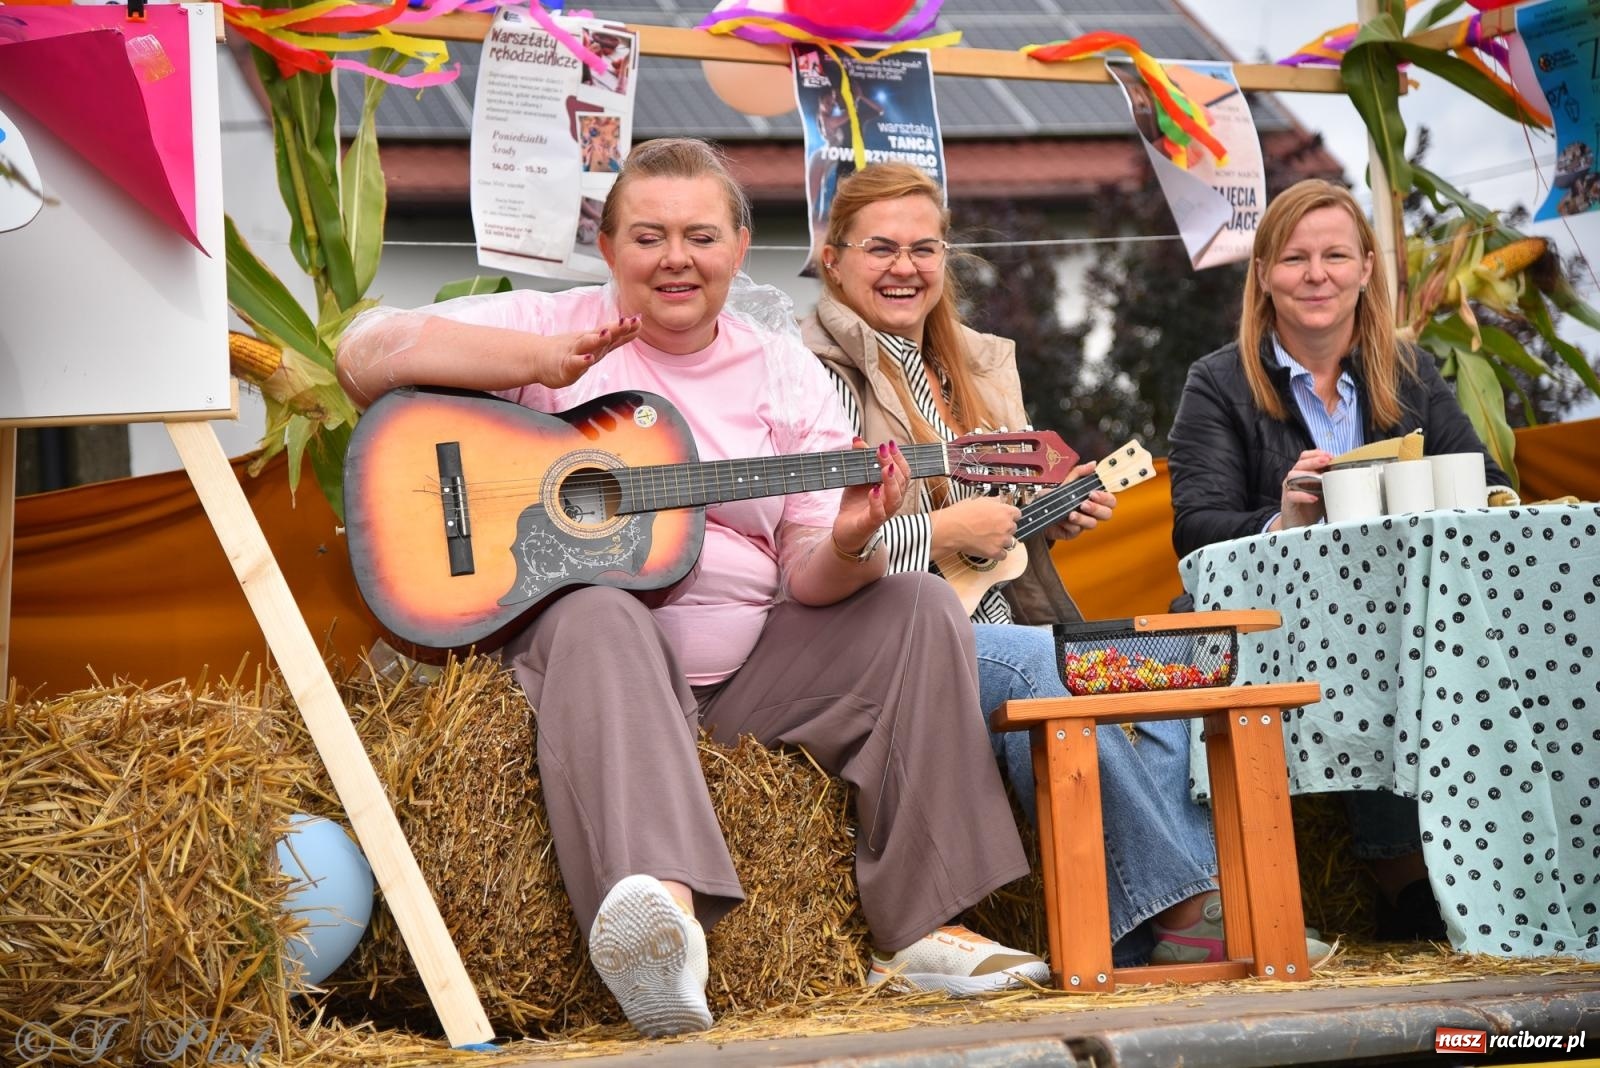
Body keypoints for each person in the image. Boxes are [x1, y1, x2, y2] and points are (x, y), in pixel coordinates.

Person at [336, 139, 1048, 1038]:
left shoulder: (782, 371)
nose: (676, 258)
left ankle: (918, 930)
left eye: (702, 237)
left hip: (751, 678)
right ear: (607, 247)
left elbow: (808, 576)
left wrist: (851, 539)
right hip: (601, 674)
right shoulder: (552, 324)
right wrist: (542, 364)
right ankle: (661, 924)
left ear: (740, 249)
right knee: (602, 606)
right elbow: (361, 352)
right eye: (649, 237)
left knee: (919, 604)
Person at [799, 161, 1331, 968]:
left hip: (996, 620)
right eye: (881, 248)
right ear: (833, 259)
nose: (905, 267)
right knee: (1040, 668)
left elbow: (994, 535)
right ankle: (1188, 912)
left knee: (1165, 671)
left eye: (924, 248)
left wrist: (1050, 515)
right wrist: (945, 529)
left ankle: (1167, 922)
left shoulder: (971, 368)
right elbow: (827, 540)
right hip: (896, 637)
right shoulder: (814, 375)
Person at [1166, 177, 1514, 940]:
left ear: (1366, 268)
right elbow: (1195, 528)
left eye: (1334, 256)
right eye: (1295, 259)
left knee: (1436, 631)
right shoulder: (1217, 382)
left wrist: (1478, 501)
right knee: (1366, 637)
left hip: (1399, 607)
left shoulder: (1410, 372)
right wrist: (1283, 518)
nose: (1316, 275)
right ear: (1264, 275)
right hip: (1268, 615)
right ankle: (1380, 882)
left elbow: (1487, 481)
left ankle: (1468, 874)